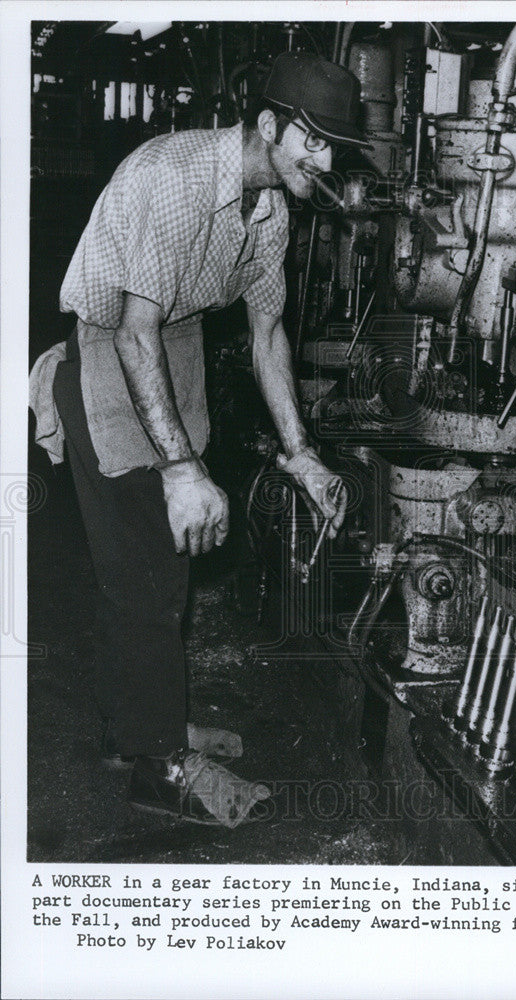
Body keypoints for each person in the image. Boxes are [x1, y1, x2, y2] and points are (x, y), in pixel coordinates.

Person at [29, 51, 370, 828]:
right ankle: (159, 767)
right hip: (115, 347)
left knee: (159, 566)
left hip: (170, 348)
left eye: (333, 149)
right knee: (145, 561)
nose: (324, 163)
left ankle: (136, 727)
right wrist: (182, 469)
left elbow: (266, 335)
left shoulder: (270, 209)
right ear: (268, 126)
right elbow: (133, 328)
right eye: (312, 143)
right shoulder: (179, 178)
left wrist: (302, 455)